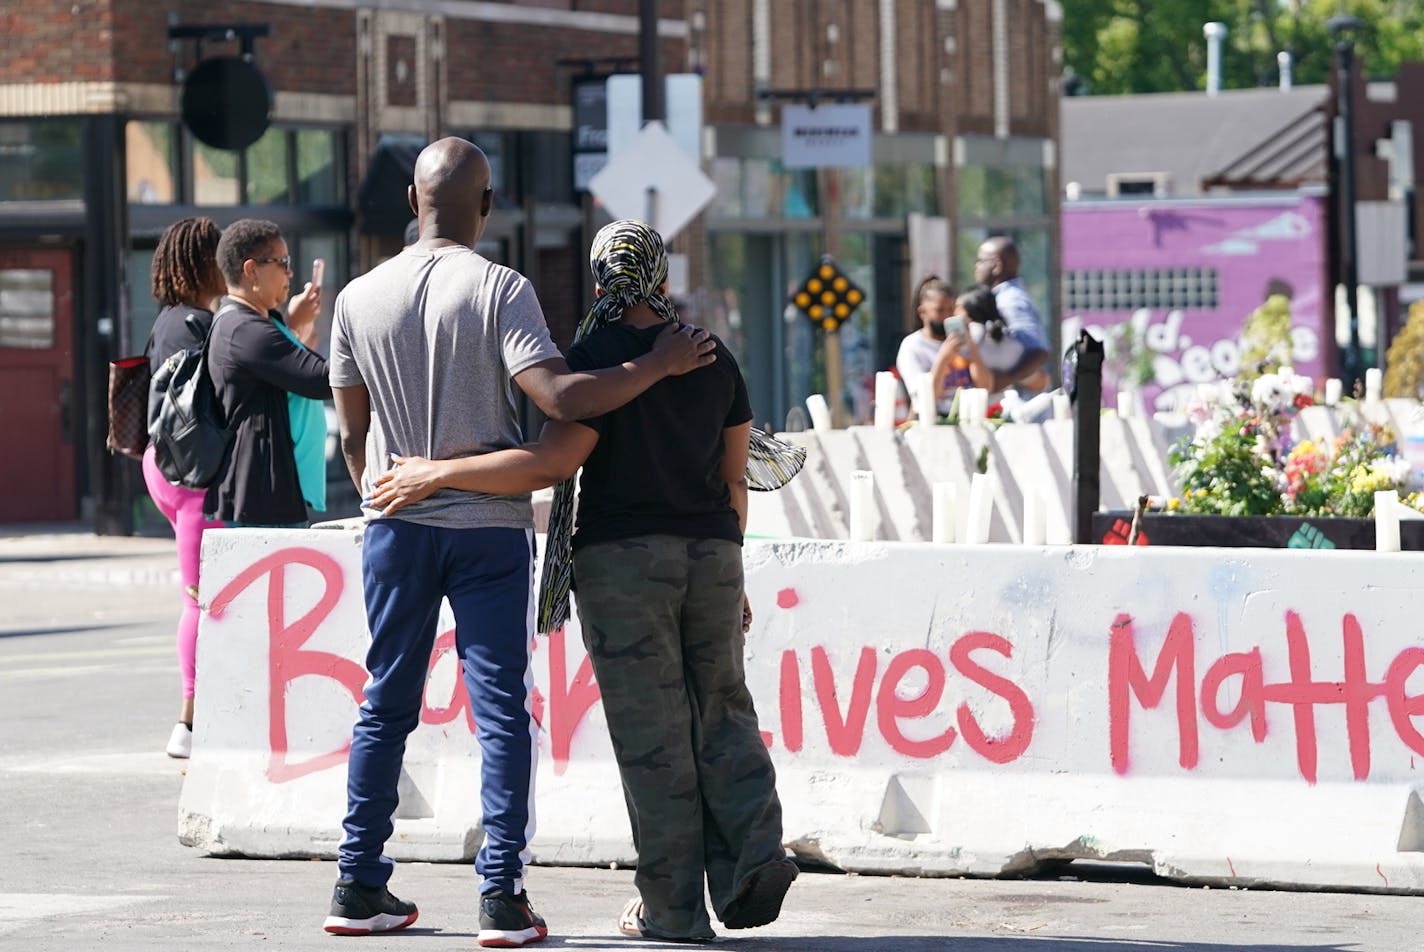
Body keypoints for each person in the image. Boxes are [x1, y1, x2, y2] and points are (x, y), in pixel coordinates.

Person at [362, 219, 799, 944]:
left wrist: (435, 473)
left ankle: (673, 911)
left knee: (653, 738)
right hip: (714, 558)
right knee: (724, 709)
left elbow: (551, 464)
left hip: (625, 565)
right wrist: (732, 563)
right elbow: (734, 481)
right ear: (660, 278)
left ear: (600, 281)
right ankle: (754, 856)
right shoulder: (711, 357)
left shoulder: (593, 362)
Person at [324, 141, 715, 945]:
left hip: (395, 529)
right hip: (488, 533)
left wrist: (400, 477)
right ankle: (500, 895)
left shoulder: (357, 298)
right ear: (488, 205)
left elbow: (351, 430)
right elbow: (562, 396)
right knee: (501, 713)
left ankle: (358, 883)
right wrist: (659, 360)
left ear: (410, 199)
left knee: (383, 702)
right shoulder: (501, 288)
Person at [140, 216, 227, 759]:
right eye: (217, 258)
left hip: (165, 468)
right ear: (200, 265)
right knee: (200, 597)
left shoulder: (167, 321)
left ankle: (204, 713)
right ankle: (188, 723)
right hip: (189, 473)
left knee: (204, 593)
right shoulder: (197, 323)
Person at [205, 219, 329, 527]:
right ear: (251, 269)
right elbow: (320, 379)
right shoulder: (244, 329)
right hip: (260, 499)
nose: (290, 273)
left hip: (269, 493)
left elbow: (287, 369)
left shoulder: (256, 323)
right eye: (282, 263)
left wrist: (293, 324)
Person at [972, 236, 1050, 392]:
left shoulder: (1010, 300)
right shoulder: (999, 297)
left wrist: (1007, 379)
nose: (976, 267)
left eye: (980, 261)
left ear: (997, 266)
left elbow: (1039, 351)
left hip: (1023, 406)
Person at [955, 284, 1051, 398]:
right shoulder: (1008, 341)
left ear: (970, 310)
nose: (954, 311)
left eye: (958, 307)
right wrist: (1012, 377)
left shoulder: (973, 338)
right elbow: (1041, 381)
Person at [895, 275, 966, 419]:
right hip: (931, 420)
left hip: (965, 417)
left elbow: (984, 386)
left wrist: (971, 346)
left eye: (951, 309)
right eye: (940, 311)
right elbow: (923, 398)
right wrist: (943, 358)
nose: (946, 316)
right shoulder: (912, 346)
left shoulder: (963, 342)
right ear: (922, 312)